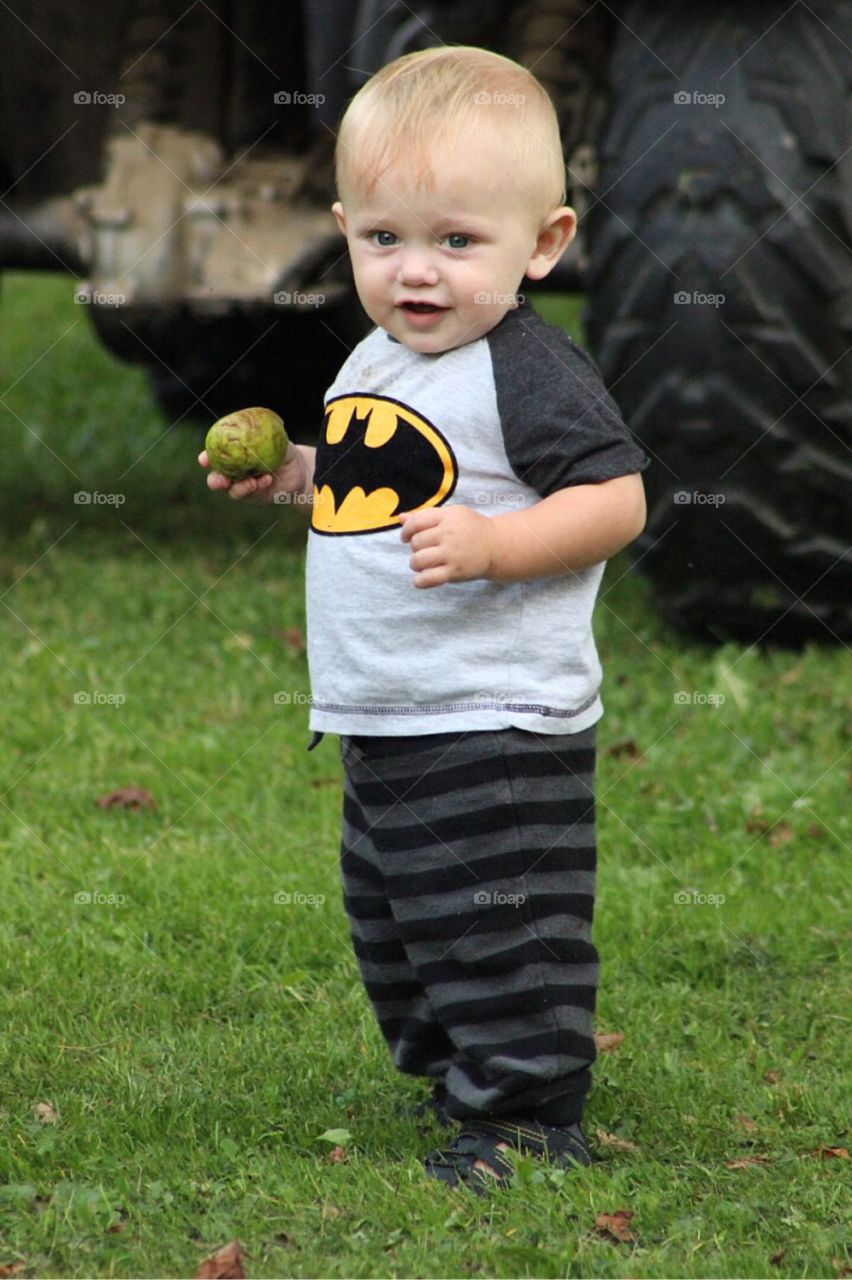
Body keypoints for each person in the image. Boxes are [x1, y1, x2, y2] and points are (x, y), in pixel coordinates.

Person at [200, 44, 649, 1194]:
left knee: (498, 917)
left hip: (494, 713)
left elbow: (617, 499)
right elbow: (376, 478)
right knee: (398, 915)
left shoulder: (525, 370)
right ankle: (460, 1067)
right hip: (389, 710)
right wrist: (298, 471)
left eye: (458, 241)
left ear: (543, 243)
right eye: (385, 239)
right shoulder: (376, 354)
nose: (418, 272)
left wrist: (498, 543)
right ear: (346, 229)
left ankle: (530, 1112)